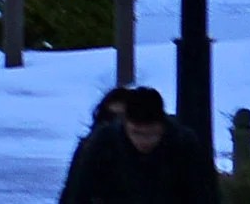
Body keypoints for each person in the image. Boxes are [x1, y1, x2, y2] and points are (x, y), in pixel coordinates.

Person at [58, 86, 219, 203]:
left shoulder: (184, 144)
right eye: (136, 133)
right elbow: (75, 194)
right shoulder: (101, 144)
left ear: (162, 126)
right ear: (126, 124)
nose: (144, 141)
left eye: (152, 134)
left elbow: (205, 195)